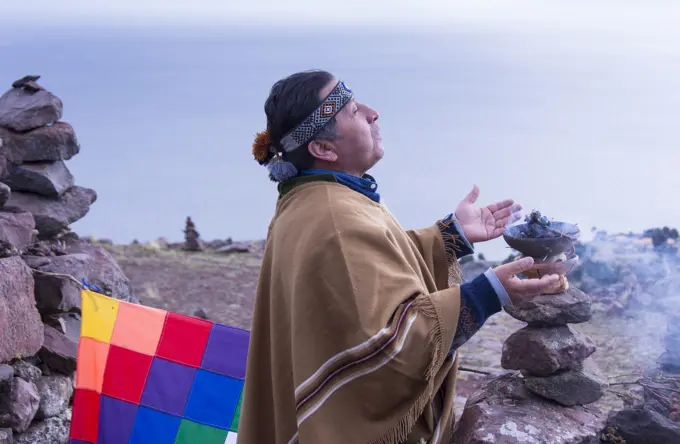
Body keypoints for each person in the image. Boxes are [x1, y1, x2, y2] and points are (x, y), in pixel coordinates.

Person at [238, 70, 559, 444]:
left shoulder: (314, 199)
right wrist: (489, 294)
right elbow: (391, 348)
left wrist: (451, 236)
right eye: (354, 110)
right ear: (323, 149)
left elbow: (368, 272)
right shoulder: (335, 219)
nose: (374, 113)